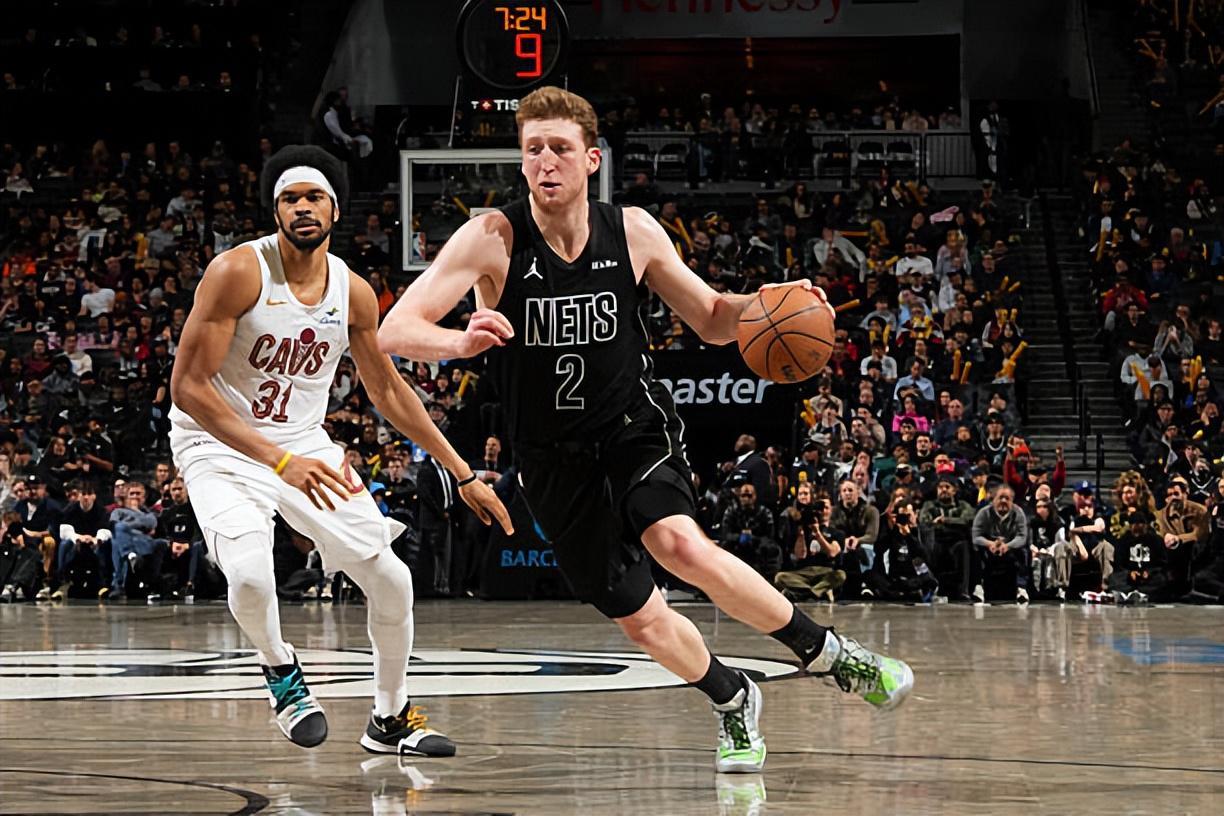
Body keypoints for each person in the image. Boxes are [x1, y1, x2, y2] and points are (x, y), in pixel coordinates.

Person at [378, 86, 912, 775]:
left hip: (632, 425)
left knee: (678, 542)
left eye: (560, 148)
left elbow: (713, 318)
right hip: (550, 457)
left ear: (591, 159)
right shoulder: (492, 238)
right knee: (641, 618)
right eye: (533, 150)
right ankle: (731, 696)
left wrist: (772, 304)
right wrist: (460, 342)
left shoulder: (631, 232)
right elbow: (396, 328)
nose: (545, 162)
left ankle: (831, 654)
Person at [168, 145, 511, 754]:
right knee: (251, 576)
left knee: (392, 579)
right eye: (289, 199)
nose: (301, 207)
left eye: (313, 197)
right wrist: (278, 462)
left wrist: (461, 472)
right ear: (275, 210)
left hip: (302, 443)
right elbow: (188, 389)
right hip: (217, 443)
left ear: (334, 209)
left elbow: (389, 390)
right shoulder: (238, 272)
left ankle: (390, 717)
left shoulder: (352, 291)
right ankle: (280, 669)